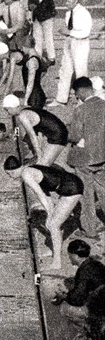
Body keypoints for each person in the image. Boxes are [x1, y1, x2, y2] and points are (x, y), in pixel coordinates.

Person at [3, 156, 83, 270]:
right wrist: (50, 211)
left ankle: (57, 262)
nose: (10, 177)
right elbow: (46, 194)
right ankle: (53, 250)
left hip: (72, 188)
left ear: (13, 170)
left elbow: (40, 195)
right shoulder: (29, 169)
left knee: (53, 225)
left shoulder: (26, 175)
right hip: (70, 183)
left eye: (9, 174)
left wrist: (50, 214)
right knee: (50, 223)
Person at [67, 77, 105, 239]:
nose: (77, 97)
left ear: (82, 91)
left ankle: (89, 229)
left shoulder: (80, 110)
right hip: (102, 156)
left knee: (86, 194)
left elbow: (75, 135)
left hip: (84, 159)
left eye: (76, 94)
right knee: (103, 190)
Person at [47, 0, 92, 107]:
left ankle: (83, 101)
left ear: (76, 0)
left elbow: (85, 32)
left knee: (81, 72)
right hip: (69, 42)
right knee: (65, 71)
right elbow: (70, 30)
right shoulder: (68, 13)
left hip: (81, 44)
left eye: (69, 1)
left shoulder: (84, 13)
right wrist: (67, 33)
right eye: (66, 1)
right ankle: (61, 99)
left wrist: (69, 32)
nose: (66, 3)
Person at [2, 94, 67, 167]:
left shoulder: (22, 116)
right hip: (56, 131)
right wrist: (16, 135)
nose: (8, 113)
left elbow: (32, 136)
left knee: (43, 165)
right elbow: (18, 128)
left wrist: (39, 155)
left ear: (12, 107)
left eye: (7, 110)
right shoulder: (25, 108)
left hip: (58, 134)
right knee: (43, 162)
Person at [52, 240, 105, 323]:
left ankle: (86, 328)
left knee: (64, 308)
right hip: (100, 297)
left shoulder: (83, 271)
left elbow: (77, 300)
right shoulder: (96, 263)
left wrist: (64, 296)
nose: (69, 257)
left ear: (76, 256)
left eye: (70, 255)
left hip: (98, 309)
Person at [28, 0, 56, 66]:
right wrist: (30, 6)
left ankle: (51, 58)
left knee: (48, 36)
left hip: (46, 15)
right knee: (37, 37)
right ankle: (38, 56)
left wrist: (35, 6)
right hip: (37, 15)